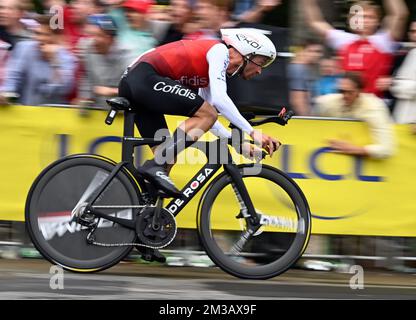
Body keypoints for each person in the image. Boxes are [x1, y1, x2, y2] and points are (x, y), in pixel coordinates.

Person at [119, 28, 281, 262]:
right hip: (143, 78)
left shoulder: (208, 72)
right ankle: (154, 165)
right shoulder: (217, 51)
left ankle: (144, 233)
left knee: (167, 160)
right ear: (247, 52)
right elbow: (218, 102)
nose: (259, 70)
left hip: (139, 82)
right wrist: (253, 132)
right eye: (260, 62)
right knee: (175, 146)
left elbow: (210, 114)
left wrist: (238, 145)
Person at [302, 0, 409, 97]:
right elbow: (315, 22)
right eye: (360, 17)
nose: (364, 20)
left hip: (374, 101)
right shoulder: (343, 39)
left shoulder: (384, 41)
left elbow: (400, 15)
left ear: (377, 22)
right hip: (346, 100)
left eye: (370, 17)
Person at [0, 15, 76, 106]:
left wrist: (54, 60)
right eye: (37, 33)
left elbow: (64, 89)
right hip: (24, 109)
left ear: (57, 37)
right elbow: (13, 77)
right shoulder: (23, 48)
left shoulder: (67, 58)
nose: (39, 38)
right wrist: (6, 93)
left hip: (52, 112)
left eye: (46, 35)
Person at [316, 72, 395, 159]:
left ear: (360, 91)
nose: (345, 96)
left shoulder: (374, 107)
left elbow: (386, 149)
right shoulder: (327, 102)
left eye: (350, 92)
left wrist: (354, 149)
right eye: (341, 91)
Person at [76, 14, 131, 109]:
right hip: (98, 111)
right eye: (91, 35)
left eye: (97, 36)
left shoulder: (127, 57)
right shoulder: (88, 48)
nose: (93, 40)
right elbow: (87, 77)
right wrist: (85, 98)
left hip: (124, 113)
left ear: (110, 38)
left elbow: (137, 90)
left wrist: (111, 91)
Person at [287, 38, 324, 116]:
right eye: (312, 51)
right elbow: (298, 101)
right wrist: (309, 121)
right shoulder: (299, 69)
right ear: (302, 51)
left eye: (319, 52)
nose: (317, 55)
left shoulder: (305, 68)